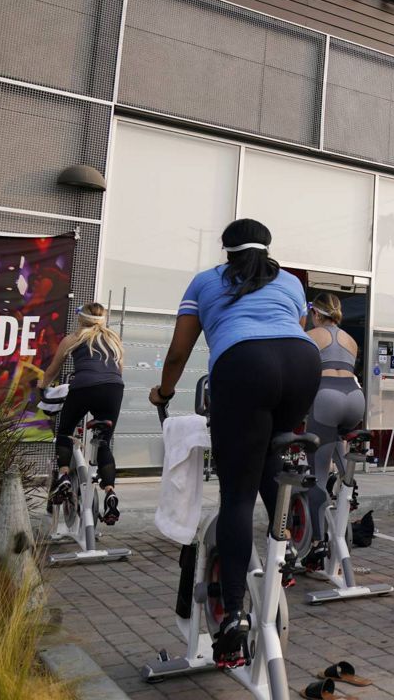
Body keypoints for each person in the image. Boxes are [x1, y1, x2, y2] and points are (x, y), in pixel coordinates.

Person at [149, 218, 320, 664]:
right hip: (303, 363)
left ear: (225, 250)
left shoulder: (206, 281)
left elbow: (179, 351)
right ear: (268, 247)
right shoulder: (289, 281)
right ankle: (284, 559)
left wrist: (163, 393)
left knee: (237, 496)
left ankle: (234, 616)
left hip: (244, 364)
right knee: (270, 461)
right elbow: (290, 328)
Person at [38, 302, 125, 524]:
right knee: (104, 440)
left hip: (84, 386)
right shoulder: (114, 339)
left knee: (65, 432)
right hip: (114, 389)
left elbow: (53, 370)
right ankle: (110, 492)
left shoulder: (73, 339)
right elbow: (119, 370)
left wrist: (41, 387)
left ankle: (65, 476)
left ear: (81, 319)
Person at [299, 292, 364, 570]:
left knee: (317, 477)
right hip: (354, 398)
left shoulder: (311, 336)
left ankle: (317, 543)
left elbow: (302, 377)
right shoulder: (351, 340)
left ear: (315, 313)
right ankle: (350, 488)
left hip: (327, 398)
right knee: (337, 441)